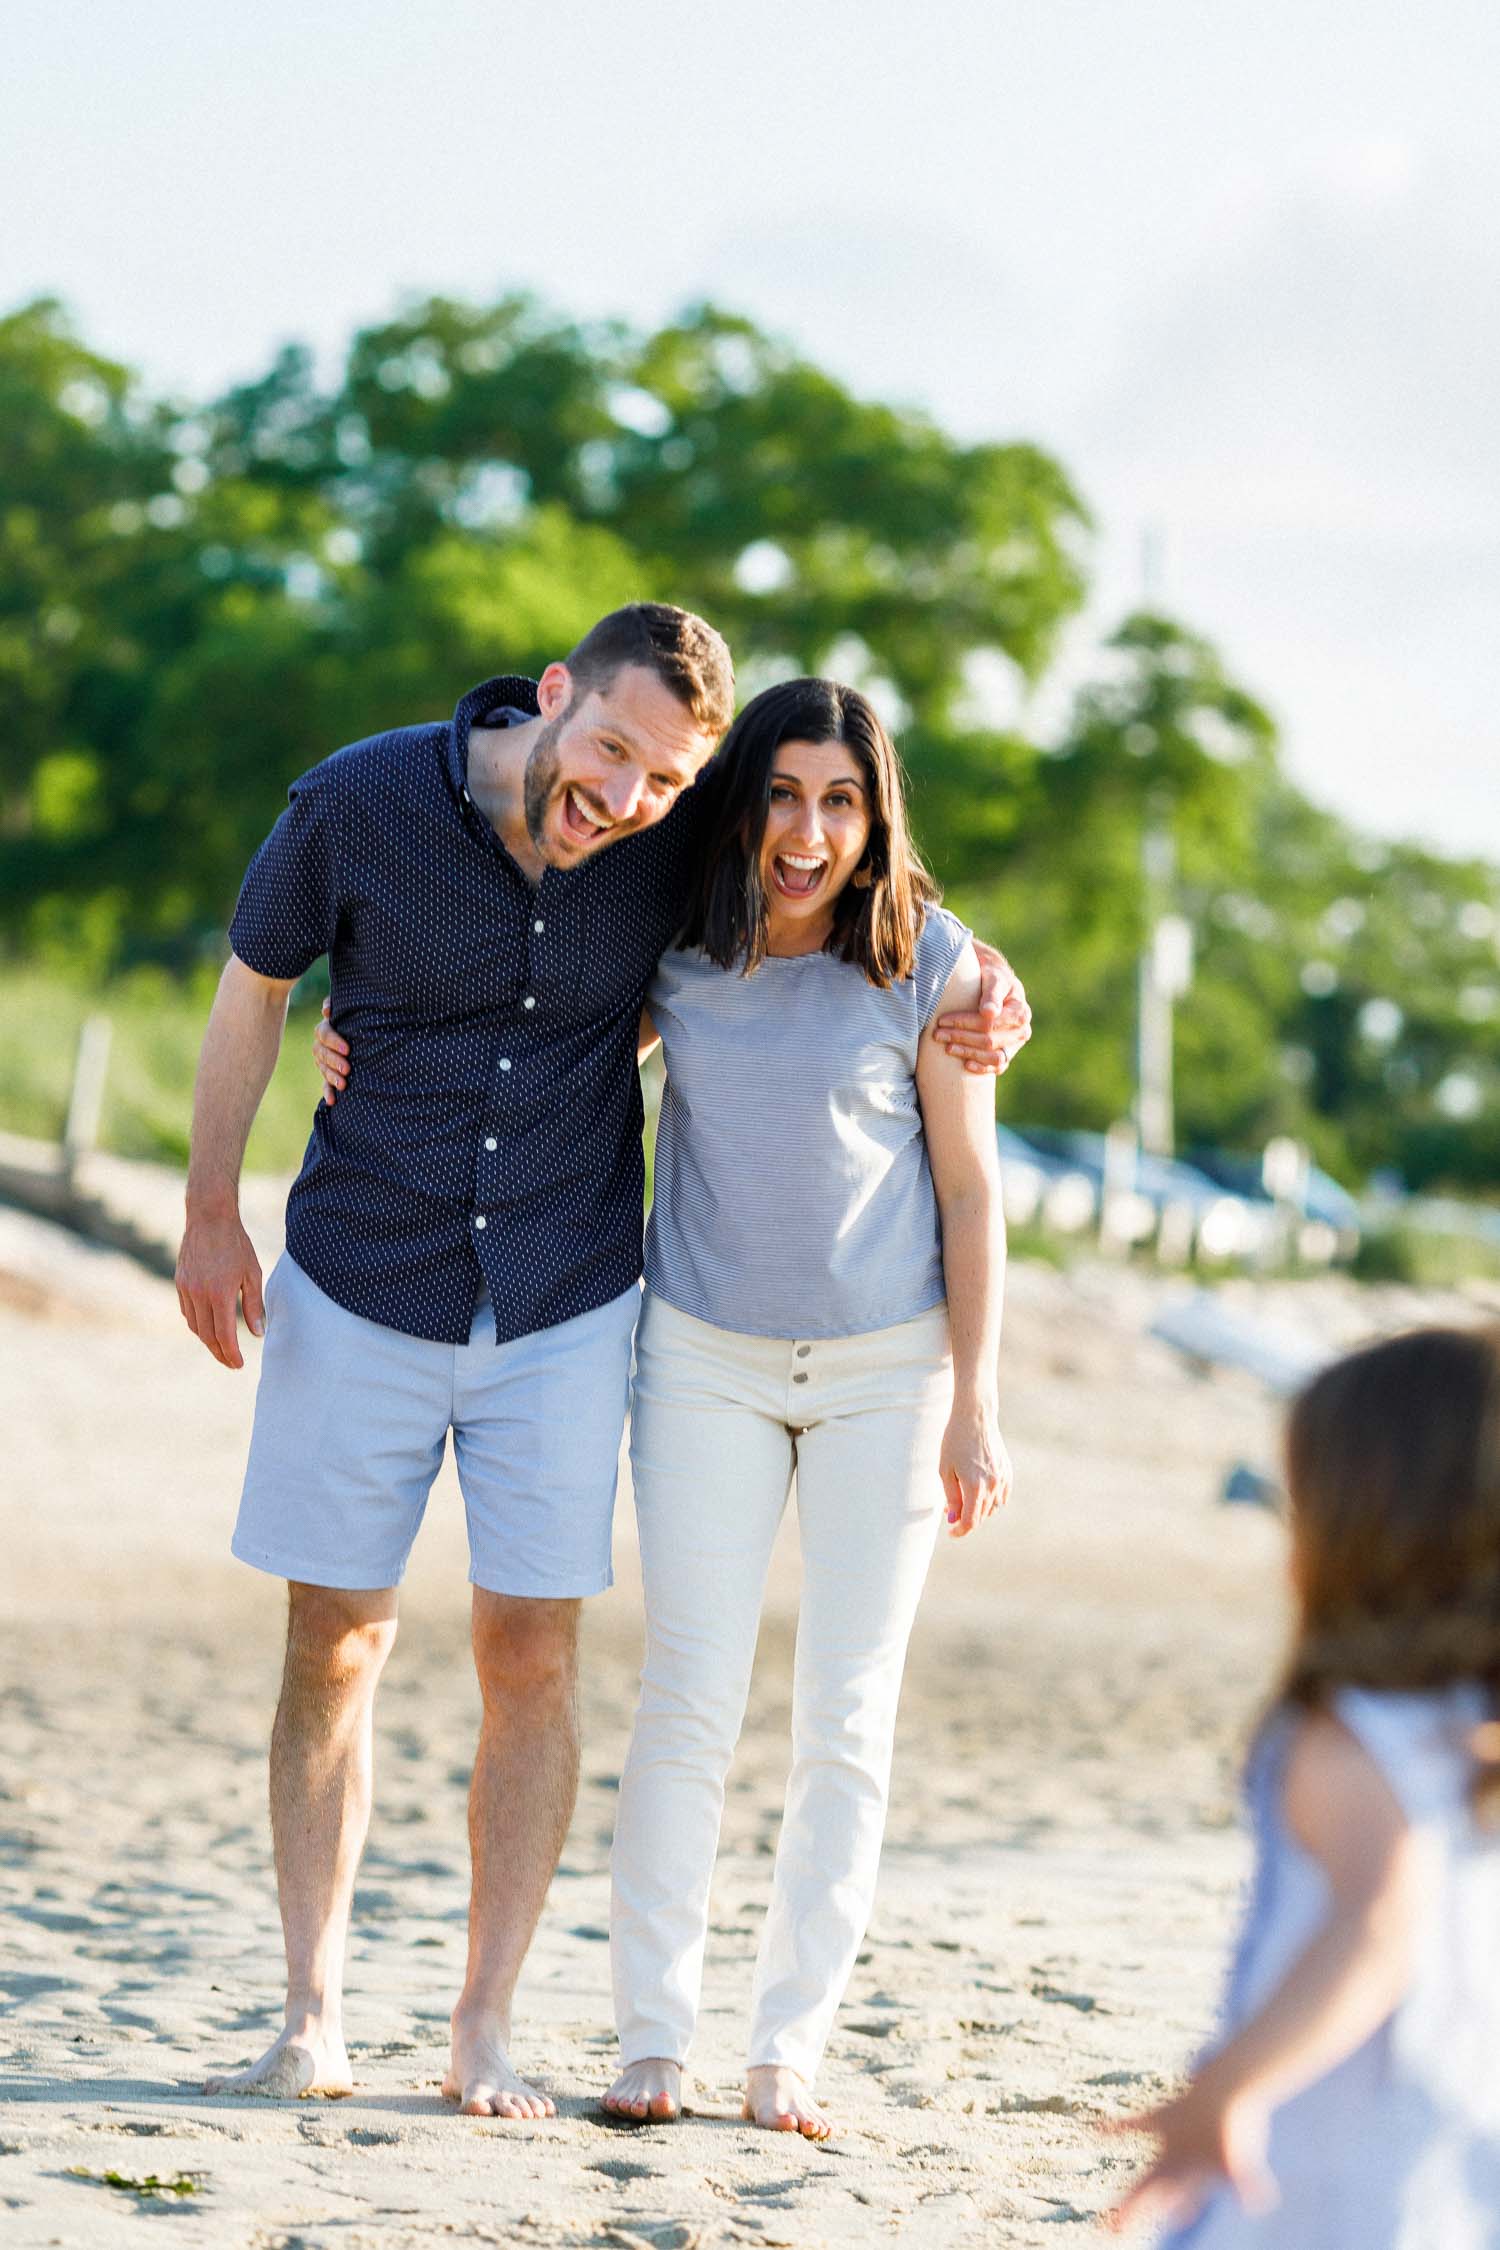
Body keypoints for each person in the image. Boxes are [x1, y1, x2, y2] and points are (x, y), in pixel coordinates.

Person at [182, 604, 1030, 2120]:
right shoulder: (398, 811)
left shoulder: (744, 877)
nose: (629, 795)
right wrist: (223, 1194)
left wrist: (985, 977)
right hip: (432, 1285)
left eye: (663, 777)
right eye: (614, 754)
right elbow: (271, 986)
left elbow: (847, 866)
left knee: (597, 1668)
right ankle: (372, 2013)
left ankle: (579, 2033)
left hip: (611, 1311)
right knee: (375, 1649)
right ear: (559, 696)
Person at [597, 675, 1010, 2139]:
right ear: (743, 799)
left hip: (889, 1375)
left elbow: (969, 1194)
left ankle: (790, 2049)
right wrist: (358, 1045)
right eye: (781, 791)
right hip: (701, 1357)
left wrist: (977, 1399)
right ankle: (654, 2034)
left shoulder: (930, 962)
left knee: (847, 1713)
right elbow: (538, 1028)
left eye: (840, 800)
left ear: (874, 813)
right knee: (686, 1699)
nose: (808, 829)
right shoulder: (679, 953)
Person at [1110, 1324, 1500, 2246]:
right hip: (1457, 2165)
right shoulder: (1475, 1737)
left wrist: (1232, 2085)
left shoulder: (1343, 1739)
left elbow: (1378, 1923)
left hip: (1326, 2171)